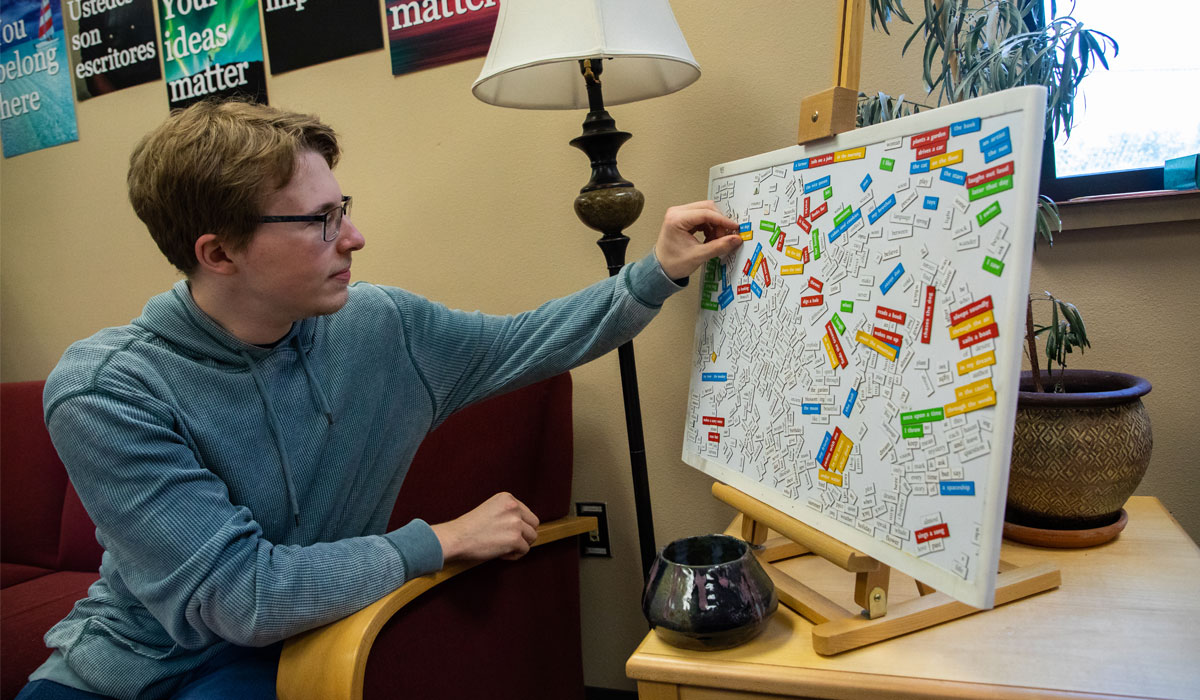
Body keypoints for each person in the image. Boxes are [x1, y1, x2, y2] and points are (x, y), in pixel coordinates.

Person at [17, 100, 742, 699]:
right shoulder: (107, 391)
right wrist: (440, 540)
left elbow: (529, 340)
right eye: (320, 221)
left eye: (344, 207)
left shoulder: (379, 326)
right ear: (218, 253)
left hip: (291, 651)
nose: (355, 238)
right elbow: (245, 596)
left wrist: (657, 272)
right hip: (120, 678)